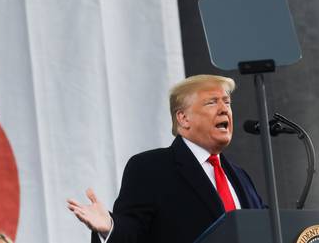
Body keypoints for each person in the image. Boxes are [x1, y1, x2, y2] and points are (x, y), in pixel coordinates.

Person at [67, 74, 264, 242]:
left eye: (227, 102)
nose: (224, 109)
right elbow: (133, 232)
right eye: (212, 102)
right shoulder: (151, 168)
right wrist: (109, 227)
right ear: (183, 118)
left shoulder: (240, 176)